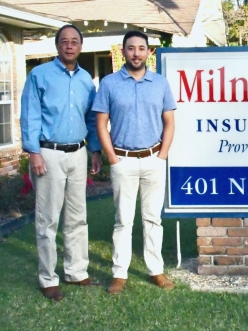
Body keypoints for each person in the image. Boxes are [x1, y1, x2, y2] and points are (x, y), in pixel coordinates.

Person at [21, 24, 102, 301]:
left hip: (78, 153)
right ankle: (48, 279)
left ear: (81, 46)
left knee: (77, 218)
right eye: (64, 41)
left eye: (75, 41)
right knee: (48, 220)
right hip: (49, 154)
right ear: (57, 46)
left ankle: (77, 272)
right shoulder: (39, 75)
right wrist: (34, 152)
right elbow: (30, 114)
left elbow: (91, 118)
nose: (69, 46)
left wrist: (94, 150)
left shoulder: (86, 81)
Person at [92, 31, 176, 294]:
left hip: (153, 158)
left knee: (153, 219)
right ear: (124, 51)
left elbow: (170, 122)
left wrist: (162, 155)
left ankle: (156, 270)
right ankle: (119, 274)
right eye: (131, 48)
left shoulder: (160, 83)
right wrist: (112, 158)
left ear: (148, 52)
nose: (136, 53)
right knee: (122, 220)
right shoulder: (109, 83)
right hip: (123, 160)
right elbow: (101, 123)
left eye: (141, 48)